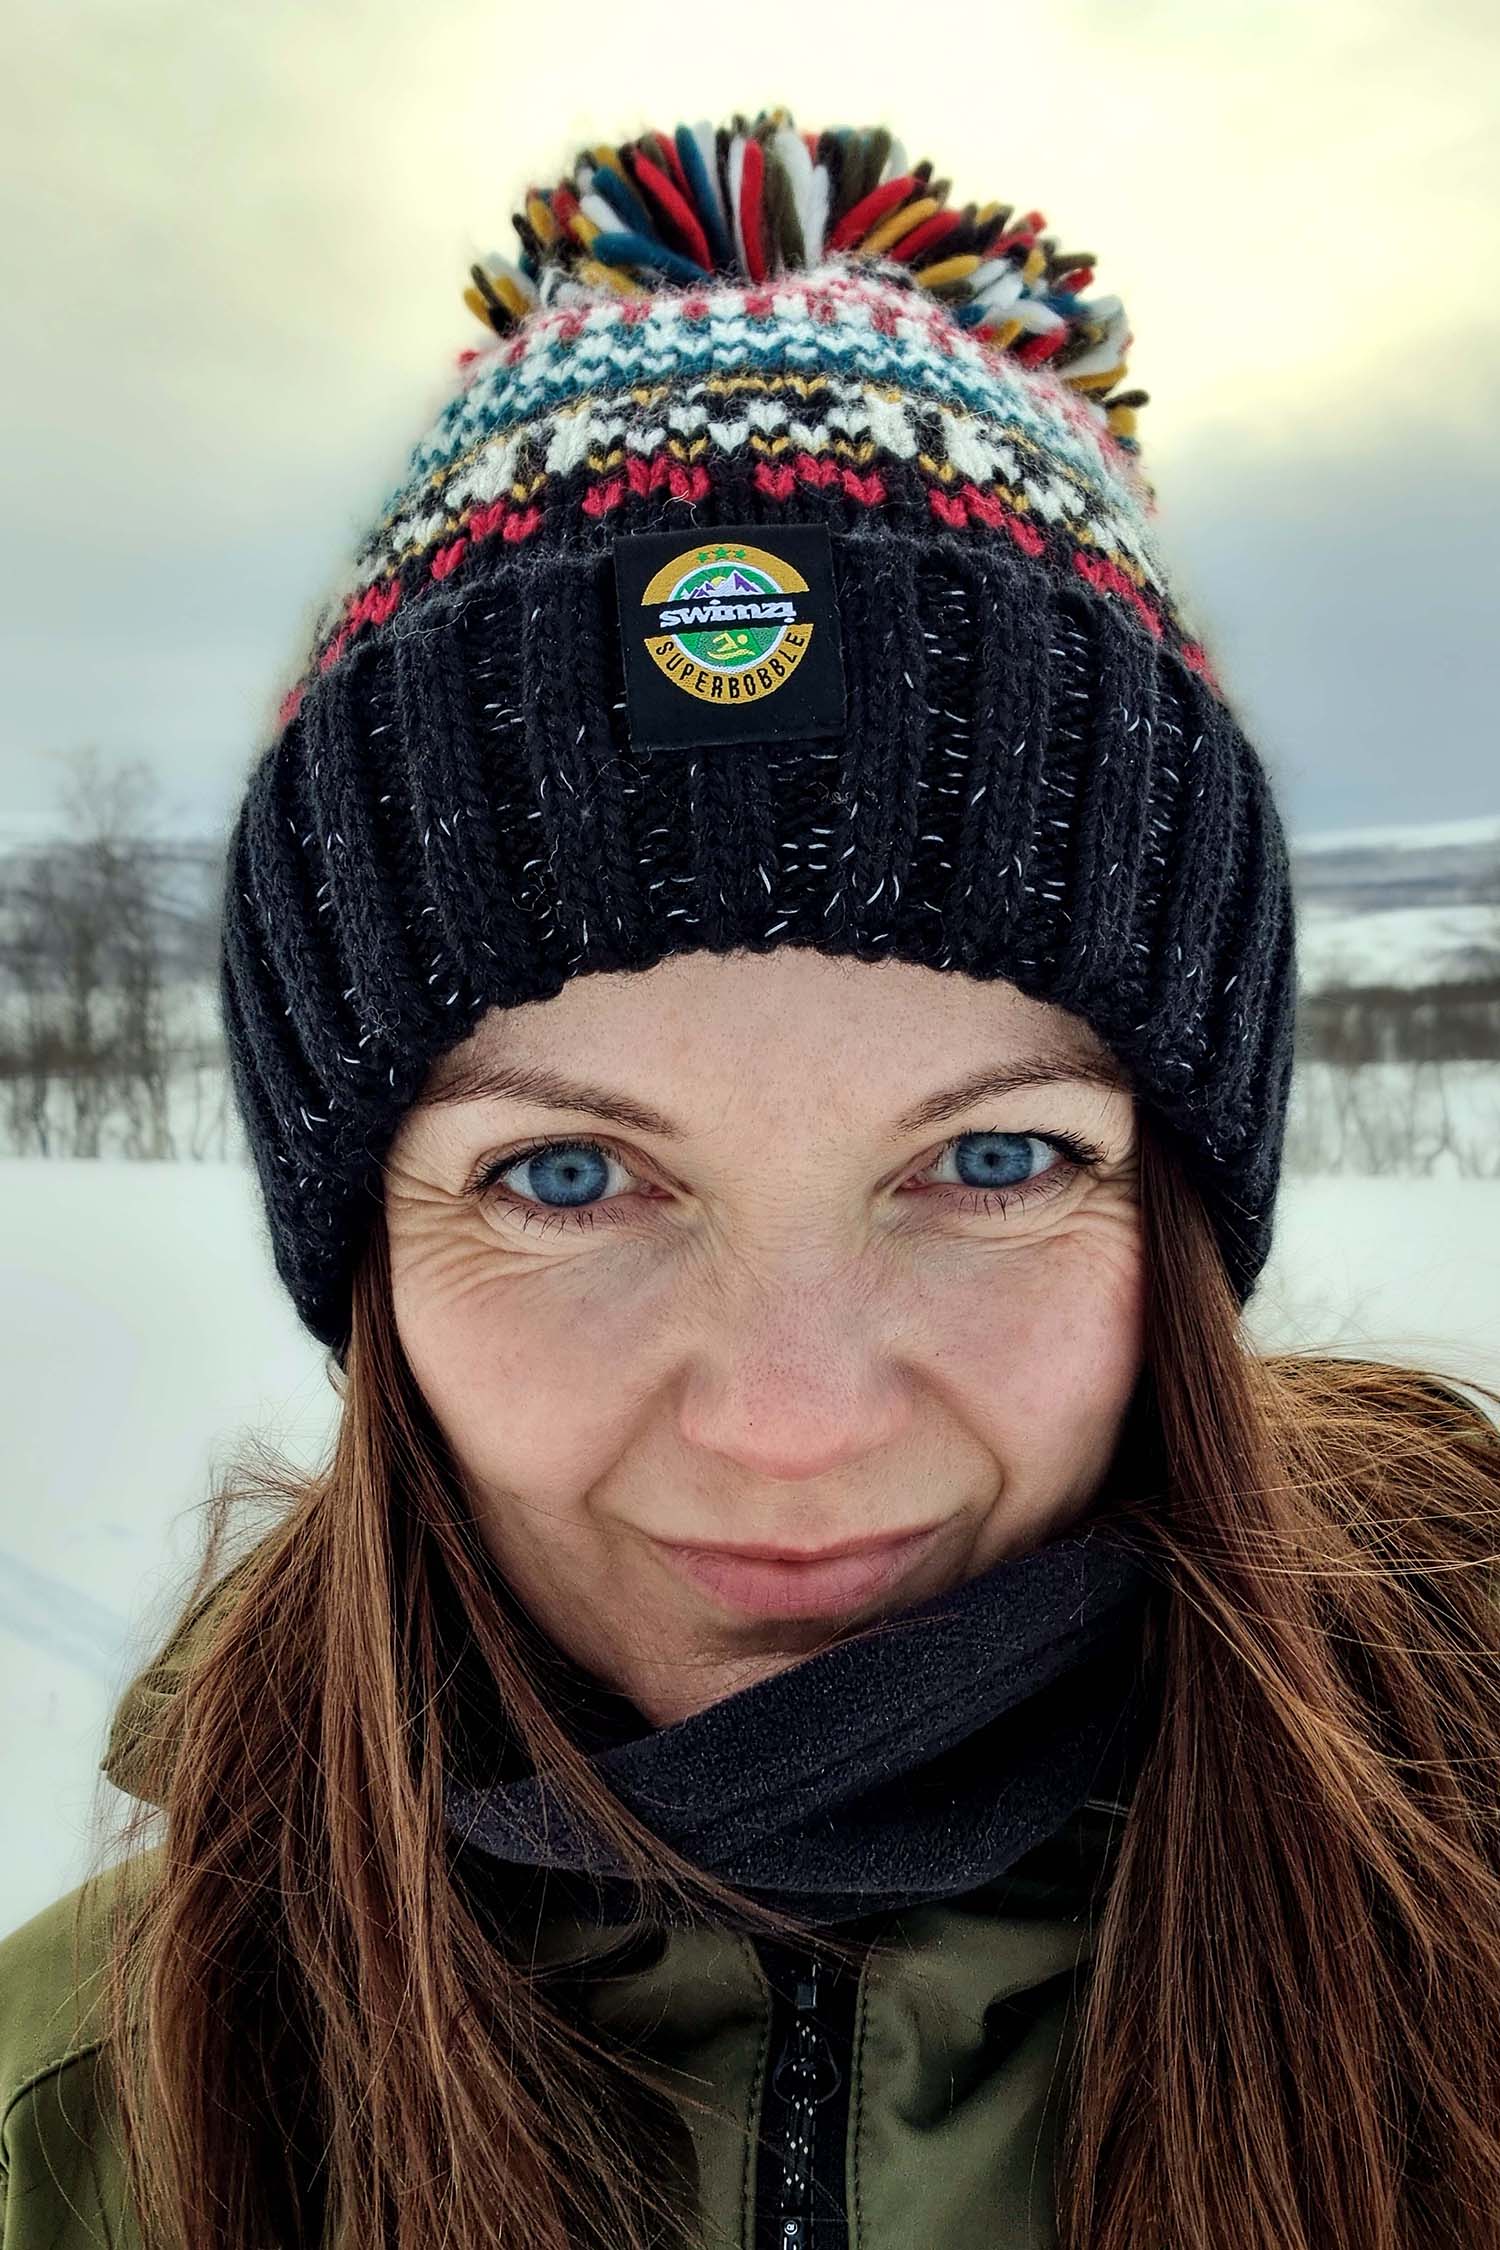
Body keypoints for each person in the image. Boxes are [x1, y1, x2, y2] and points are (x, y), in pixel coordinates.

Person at [1, 105, 1497, 2250]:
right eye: (566, 1174)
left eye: (994, 1157)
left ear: (1177, 1216)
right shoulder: (82, 2112)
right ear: (367, 1254)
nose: (794, 1429)